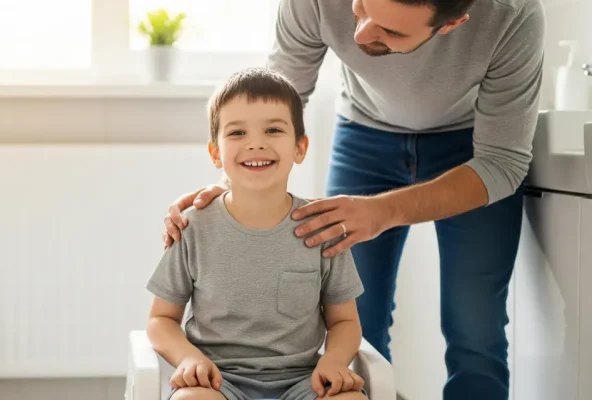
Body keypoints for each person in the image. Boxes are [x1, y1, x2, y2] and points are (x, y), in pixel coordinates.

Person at [162, 0, 546, 399]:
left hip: (472, 150)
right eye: (360, 6)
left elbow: (501, 162)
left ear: (453, 24)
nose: (360, 33)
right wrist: (234, 187)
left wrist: (382, 211)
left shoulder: (512, 14)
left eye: (391, 31)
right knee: (363, 322)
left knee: (476, 324)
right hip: (364, 133)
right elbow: (274, 104)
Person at [146, 68, 368, 400]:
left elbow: (345, 322)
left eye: (274, 129)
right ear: (215, 153)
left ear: (300, 147)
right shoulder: (193, 228)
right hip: (218, 383)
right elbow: (161, 319)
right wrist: (189, 358)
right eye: (237, 133)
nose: (256, 143)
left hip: (305, 383)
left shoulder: (323, 228)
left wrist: (334, 362)